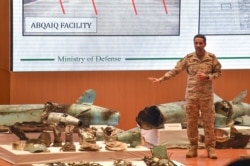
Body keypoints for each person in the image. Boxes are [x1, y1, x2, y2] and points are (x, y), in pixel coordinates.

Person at [148, 34, 222, 159]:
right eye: (196, 43)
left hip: (206, 97)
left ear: (205, 44)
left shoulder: (211, 58)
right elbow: (175, 70)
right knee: (191, 122)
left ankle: (210, 148)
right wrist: (161, 79)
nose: (198, 45)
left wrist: (208, 76)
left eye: (200, 43)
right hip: (192, 96)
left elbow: (218, 72)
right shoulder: (188, 58)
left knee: (208, 123)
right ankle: (193, 147)